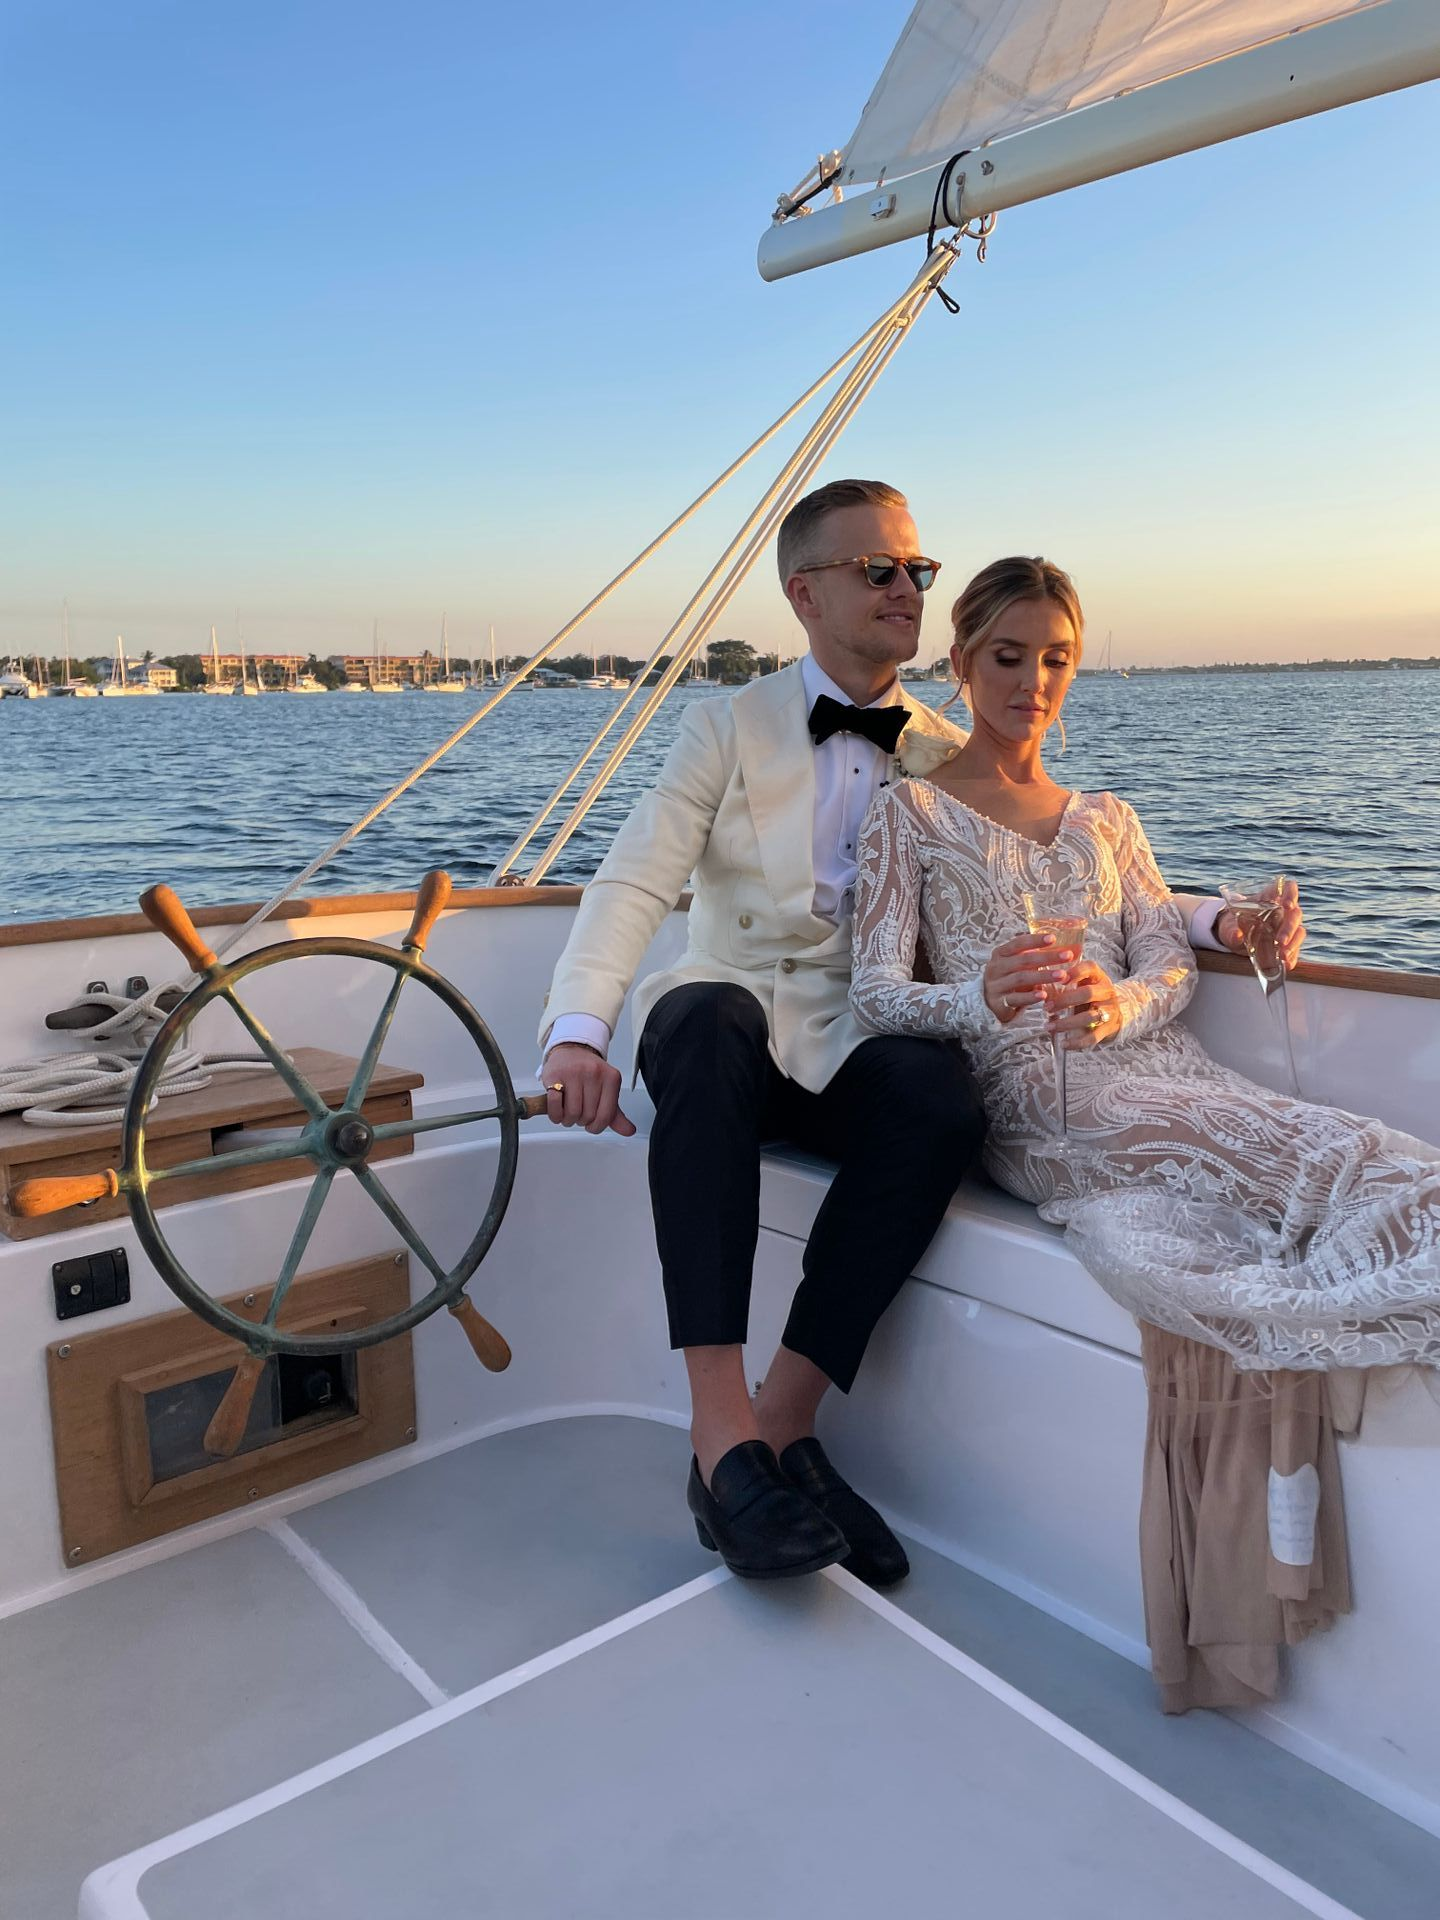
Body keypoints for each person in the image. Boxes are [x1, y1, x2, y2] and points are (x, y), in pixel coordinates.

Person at [538, 490, 1239, 1588]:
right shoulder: (723, 725)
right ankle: (718, 1439)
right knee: (707, 1018)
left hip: (852, 1033)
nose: (907, 590)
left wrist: (1210, 919)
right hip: (725, 1022)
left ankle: (784, 1426)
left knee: (939, 1100)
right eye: (879, 571)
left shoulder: (948, 750)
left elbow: (1060, 859)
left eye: (918, 570)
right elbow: (636, 878)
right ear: (803, 591)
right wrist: (578, 1034)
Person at [847, 554, 1440, 1706]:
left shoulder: (1108, 818)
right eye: (1008, 656)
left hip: (1162, 1065)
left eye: (1055, 659)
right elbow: (874, 992)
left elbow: (1167, 961)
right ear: (961, 662)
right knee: (1339, 1165)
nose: (1033, 682)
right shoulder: (906, 813)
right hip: (1038, 1101)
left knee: (1358, 1147)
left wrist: (1124, 999)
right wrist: (987, 999)